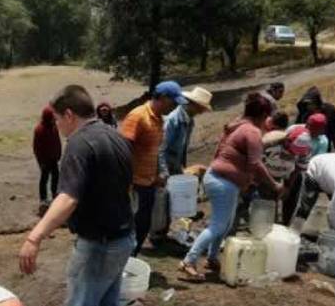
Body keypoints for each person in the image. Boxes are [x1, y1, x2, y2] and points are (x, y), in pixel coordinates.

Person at [19, 84, 134, 306]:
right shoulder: (115, 135)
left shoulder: (80, 145)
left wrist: (35, 236)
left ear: (68, 114)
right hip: (124, 237)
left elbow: (67, 197)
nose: (56, 126)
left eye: (57, 120)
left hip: (99, 242)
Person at [181, 93, 283, 281]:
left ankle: (212, 258)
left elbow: (221, 150)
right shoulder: (251, 132)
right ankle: (189, 261)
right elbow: (256, 164)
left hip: (217, 177)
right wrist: (274, 184)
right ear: (263, 115)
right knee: (218, 225)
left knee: (224, 224)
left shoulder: (237, 124)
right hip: (224, 183)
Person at [121, 80, 186, 255]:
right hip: (133, 182)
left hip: (148, 182)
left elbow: (155, 151)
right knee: (130, 226)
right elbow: (122, 150)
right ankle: (124, 261)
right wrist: (125, 183)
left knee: (143, 224)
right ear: (163, 98)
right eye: (173, 103)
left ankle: (131, 258)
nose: (174, 108)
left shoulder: (158, 120)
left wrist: (159, 174)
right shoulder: (138, 116)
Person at [159, 86, 213, 177]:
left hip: (174, 167)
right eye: (200, 108)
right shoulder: (173, 120)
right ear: (192, 103)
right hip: (165, 168)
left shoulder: (190, 121)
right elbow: (160, 149)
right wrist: (163, 173)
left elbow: (181, 148)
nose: (201, 112)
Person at [296, 86, 335, 152]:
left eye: (310, 103)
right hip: (308, 146)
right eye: (306, 104)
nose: (308, 106)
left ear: (316, 102)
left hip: (325, 144)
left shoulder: (330, 110)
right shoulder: (304, 113)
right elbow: (297, 128)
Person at [32, 105, 62, 208]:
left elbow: (57, 141)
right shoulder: (39, 130)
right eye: (52, 117)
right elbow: (36, 147)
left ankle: (55, 194)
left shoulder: (54, 127)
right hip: (45, 160)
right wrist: (40, 160)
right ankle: (43, 199)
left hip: (54, 158)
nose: (54, 119)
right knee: (44, 178)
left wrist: (59, 153)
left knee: (56, 176)